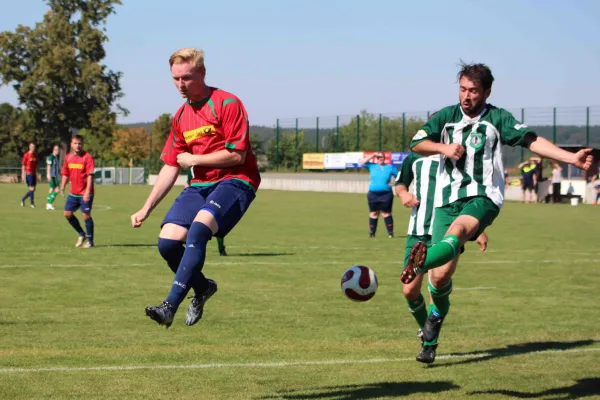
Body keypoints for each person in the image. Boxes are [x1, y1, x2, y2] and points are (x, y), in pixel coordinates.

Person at [400, 62, 593, 362]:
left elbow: (532, 140)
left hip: (483, 197)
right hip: (446, 202)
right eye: (462, 89)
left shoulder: (498, 119)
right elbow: (416, 143)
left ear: (486, 92)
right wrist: (443, 148)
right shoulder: (446, 117)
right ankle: (434, 319)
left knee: (457, 233)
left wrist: (572, 158)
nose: (466, 96)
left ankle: (419, 264)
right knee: (440, 278)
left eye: (473, 91)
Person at [130, 47, 260, 328]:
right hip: (200, 183)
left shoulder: (227, 103)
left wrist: (195, 158)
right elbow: (170, 165)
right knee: (167, 243)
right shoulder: (180, 117)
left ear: (202, 73)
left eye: (187, 77)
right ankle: (202, 288)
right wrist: (146, 207)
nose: (181, 84)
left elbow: (237, 155)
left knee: (198, 230)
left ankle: (169, 306)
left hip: (236, 180)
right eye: (176, 79)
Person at [395, 152, 489, 364]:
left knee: (438, 278)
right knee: (409, 290)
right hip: (417, 232)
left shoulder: (460, 158)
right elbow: (400, 184)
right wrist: (403, 195)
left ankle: (429, 344)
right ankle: (425, 329)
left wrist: (477, 229)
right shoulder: (414, 157)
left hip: (448, 231)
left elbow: (471, 196)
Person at [60, 135, 95, 248]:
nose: (77, 146)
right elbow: (65, 174)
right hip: (73, 192)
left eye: (79, 143)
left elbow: (90, 176)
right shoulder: (68, 157)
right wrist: (62, 187)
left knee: (86, 215)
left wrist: (87, 192)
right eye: (75, 143)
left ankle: (90, 241)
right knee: (67, 213)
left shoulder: (87, 157)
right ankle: (81, 233)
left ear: (82, 144)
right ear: (71, 144)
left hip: (85, 192)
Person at [185, 169, 227, 256]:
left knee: (216, 223)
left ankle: (221, 248)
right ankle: (191, 247)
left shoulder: (216, 167)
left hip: (214, 197)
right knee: (193, 223)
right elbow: (188, 183)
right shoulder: (192, 167)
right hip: (198, 197)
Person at [358, 152, 398, 238]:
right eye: (378, 157)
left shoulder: (389, 167)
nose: (380, 158)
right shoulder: (372, 166)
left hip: (386, 194)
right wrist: (372, 155)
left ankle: (390, 234)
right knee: (373, 213)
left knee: (386, 213)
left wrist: (394, 183)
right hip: (373, 194)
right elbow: (361, 162)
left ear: (384, 158)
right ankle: (372, 233)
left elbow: (399, 176)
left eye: (382, 157)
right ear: (376, 158)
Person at [20, 142, 38, 208]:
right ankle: (32, 203)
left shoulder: (35, 155)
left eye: (34, 147)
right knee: (31, 188)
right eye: (32, 147)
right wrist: (23, 174)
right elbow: (23, 165)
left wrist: (37, 173)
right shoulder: (26, 155)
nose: (33, 148)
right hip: (28, 173)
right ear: (29, 147)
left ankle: (22, 199)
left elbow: (36, 165)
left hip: (34, 174)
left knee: (33, 189)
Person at [46, 144, 61, 210]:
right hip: (52, 176)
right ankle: (49, 203)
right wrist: (48, 175)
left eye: (58, 149)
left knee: (51, 189)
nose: (57, 151)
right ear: (53, 150)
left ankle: (48, 204)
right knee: (57, 189)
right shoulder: (51, 157)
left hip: (55, 176)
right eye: (56, 149)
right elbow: (49, 166)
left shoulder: (56, 158)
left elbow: (57, 167)